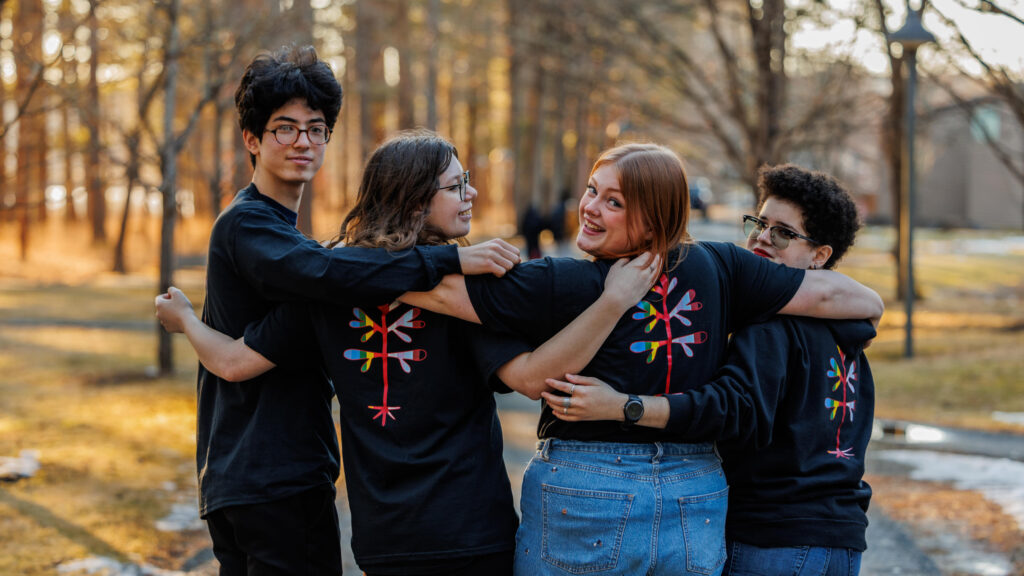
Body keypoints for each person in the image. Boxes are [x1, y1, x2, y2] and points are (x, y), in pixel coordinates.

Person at [157, 130, 660, 575]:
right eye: (457, 186)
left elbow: (233, 362)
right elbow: (531, 379)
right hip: (470, 532)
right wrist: (613, 302)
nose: (473, 194)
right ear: (415, 199)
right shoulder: (465, 289)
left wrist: (186, 322)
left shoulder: (330, 286)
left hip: (384, 538)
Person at [401, 144, 883, 576]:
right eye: (592, 190)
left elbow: (433, 292)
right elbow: (852, 300)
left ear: (654, 221)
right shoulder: (723, 267)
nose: (589, 207)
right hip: (696, 498)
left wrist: (360, 259)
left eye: (614, 202)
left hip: (592, 493)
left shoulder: (565, 282)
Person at [172, 47, 518, 576]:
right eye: (284, 128)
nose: (303, 142)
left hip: (255, 477)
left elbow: (251, 347)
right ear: (252, 140)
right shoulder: (249, 226)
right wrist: (452, 258)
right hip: (272, 474)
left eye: (316, 129)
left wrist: (189, 324)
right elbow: (329, 275)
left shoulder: (283, 236)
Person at [543, 164, 875, 576]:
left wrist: (624, 406)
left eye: (783, 233)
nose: (762, 238)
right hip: (842, 544)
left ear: (819, 256)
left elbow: (733, 409)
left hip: (773, 541)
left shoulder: (772, 325)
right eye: (759, 222)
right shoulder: (850, 340)